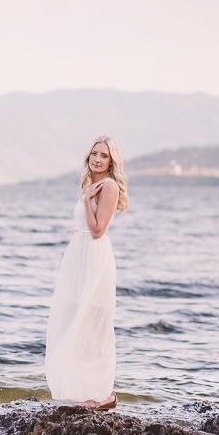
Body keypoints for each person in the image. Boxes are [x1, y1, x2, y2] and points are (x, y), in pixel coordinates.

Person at [44, 134, 128, 410]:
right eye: (94, 153)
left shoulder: (109, 187)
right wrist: (86, 195)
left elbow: (97, 230)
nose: (97, 159)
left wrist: (88, 198)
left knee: (93, 324)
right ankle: (82, 390)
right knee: (71, 319)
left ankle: (103, 395)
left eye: (104, 155)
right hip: (78, 256)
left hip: (94, 256)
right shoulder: (90, 184)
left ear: (111, 161)